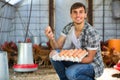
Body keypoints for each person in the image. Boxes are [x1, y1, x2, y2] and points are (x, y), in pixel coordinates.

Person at [45, 2, 104, 80]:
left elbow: (89, 58)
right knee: (53, 55)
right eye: (75, 12)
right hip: (77, 60)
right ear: (71, 15)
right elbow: (57, 47)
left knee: (70, 73)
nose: (78, 15)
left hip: (92, 65)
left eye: (81, 12)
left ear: (85, 15)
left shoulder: (91, 32)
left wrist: (71, 58)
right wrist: (51, 38)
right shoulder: (68, 27)